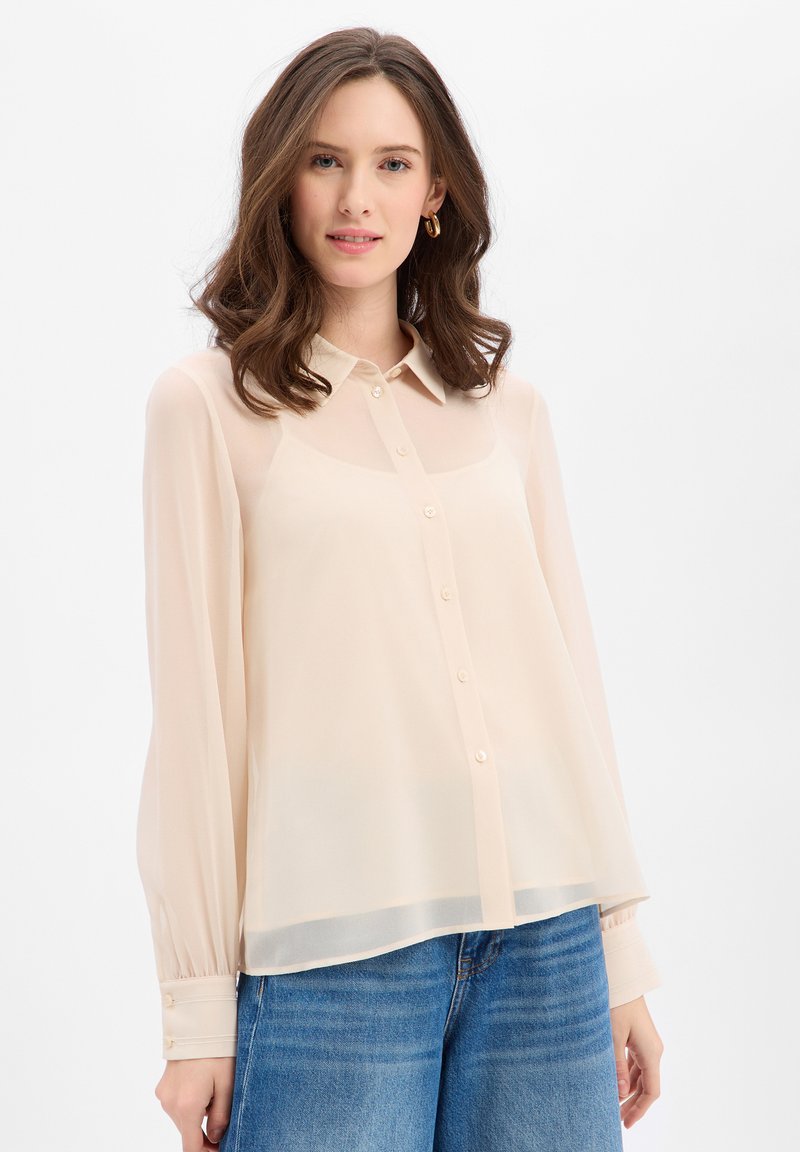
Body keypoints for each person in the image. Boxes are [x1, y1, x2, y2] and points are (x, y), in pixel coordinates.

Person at [137, 26, 663, 1152]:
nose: (354, 198)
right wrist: (198, 1012)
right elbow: (196, 728)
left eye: (391, 163)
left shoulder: (506, 409)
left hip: (547, 941)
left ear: (434, 194)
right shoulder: (208, 407)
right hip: (333, 960)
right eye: (323, 160)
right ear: (279, 183)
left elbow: (566, 683)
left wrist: (619, 953)